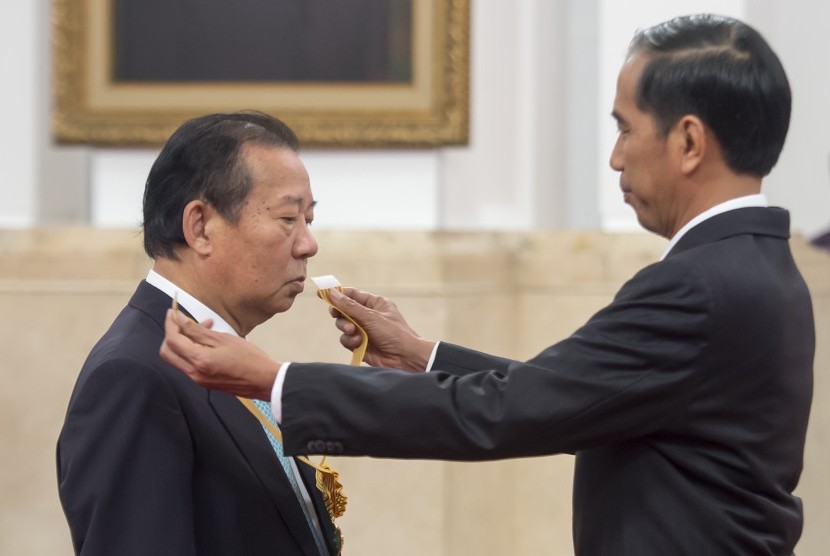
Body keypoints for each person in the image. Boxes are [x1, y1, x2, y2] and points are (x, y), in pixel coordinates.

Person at [160, 15, 815, 555]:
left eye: (624, 127)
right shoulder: (757, 267)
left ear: (690, 142)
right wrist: (422, 357)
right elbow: (570, 396)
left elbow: (509, 413)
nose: (615, 155)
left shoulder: (696, 286)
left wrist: (275, 381)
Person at [57, 111, 343, 555]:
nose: (308, 244)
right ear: (200, 226)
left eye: (310, 219)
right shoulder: (134, 375)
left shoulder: (220, 351)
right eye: (289, 219)